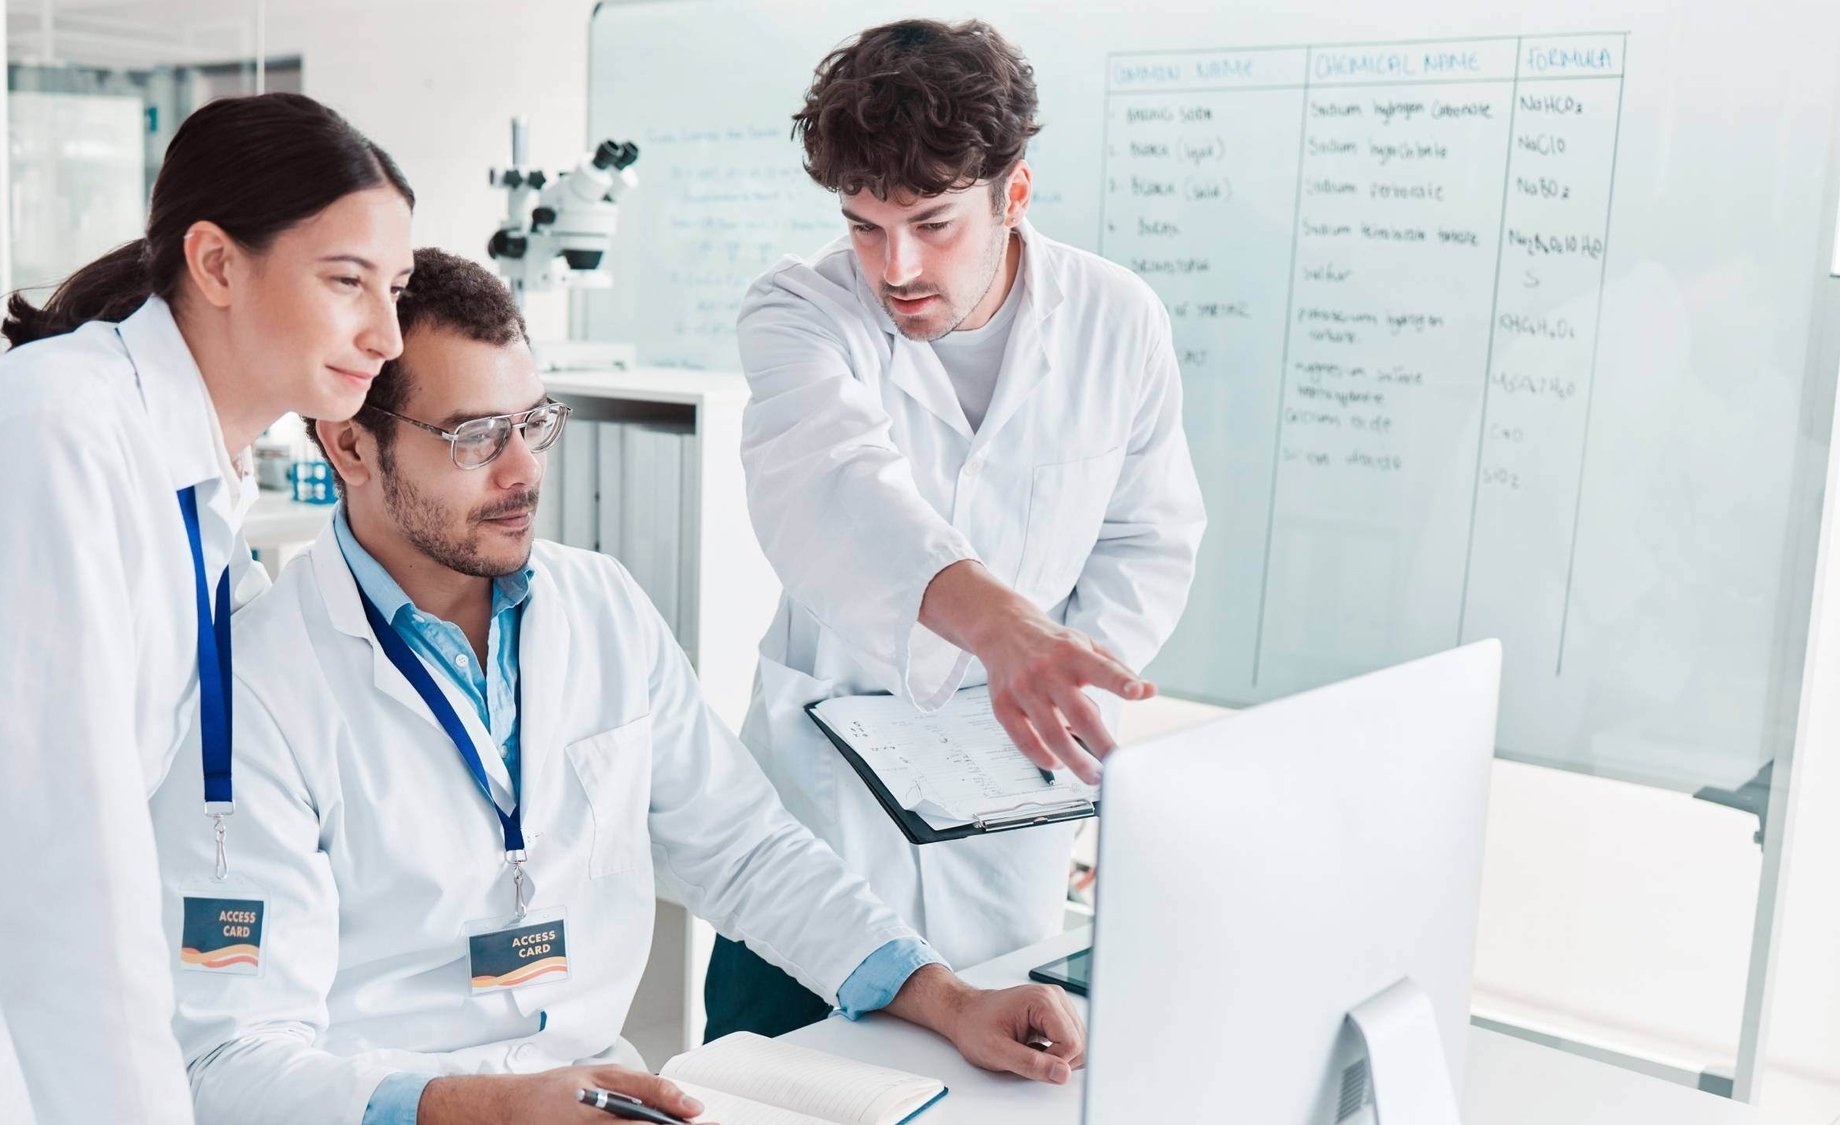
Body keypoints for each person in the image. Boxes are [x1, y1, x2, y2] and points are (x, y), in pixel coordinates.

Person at [148, 249, 1086, 1125]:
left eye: (535, 423)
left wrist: (949, 997)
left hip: (608, 1099)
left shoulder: (599, 607)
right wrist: (497, 1108)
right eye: (477, 436)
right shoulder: (254, 683)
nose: (524, 472)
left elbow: (744, 851)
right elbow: (231, 1059)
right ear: (350, 447)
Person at [0, 92, 413, 1123]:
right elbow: (70, 853)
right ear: (216, 263)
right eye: (346, 281)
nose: (385, 332)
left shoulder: (194, 469)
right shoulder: (57, 432)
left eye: (397, 288)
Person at [708, 18, 1208, 1039]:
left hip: (1004, 820)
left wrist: (1055, 675)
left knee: (981, 1082)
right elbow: (833, 490)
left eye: (932, 224)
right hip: (822, 823)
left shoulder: (1118, 320)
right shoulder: (798, 310)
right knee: (760, 1084)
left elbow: (1144, 537)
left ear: (1011, 193)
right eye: (863, 225)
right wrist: (1002, 631)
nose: (894, 267)